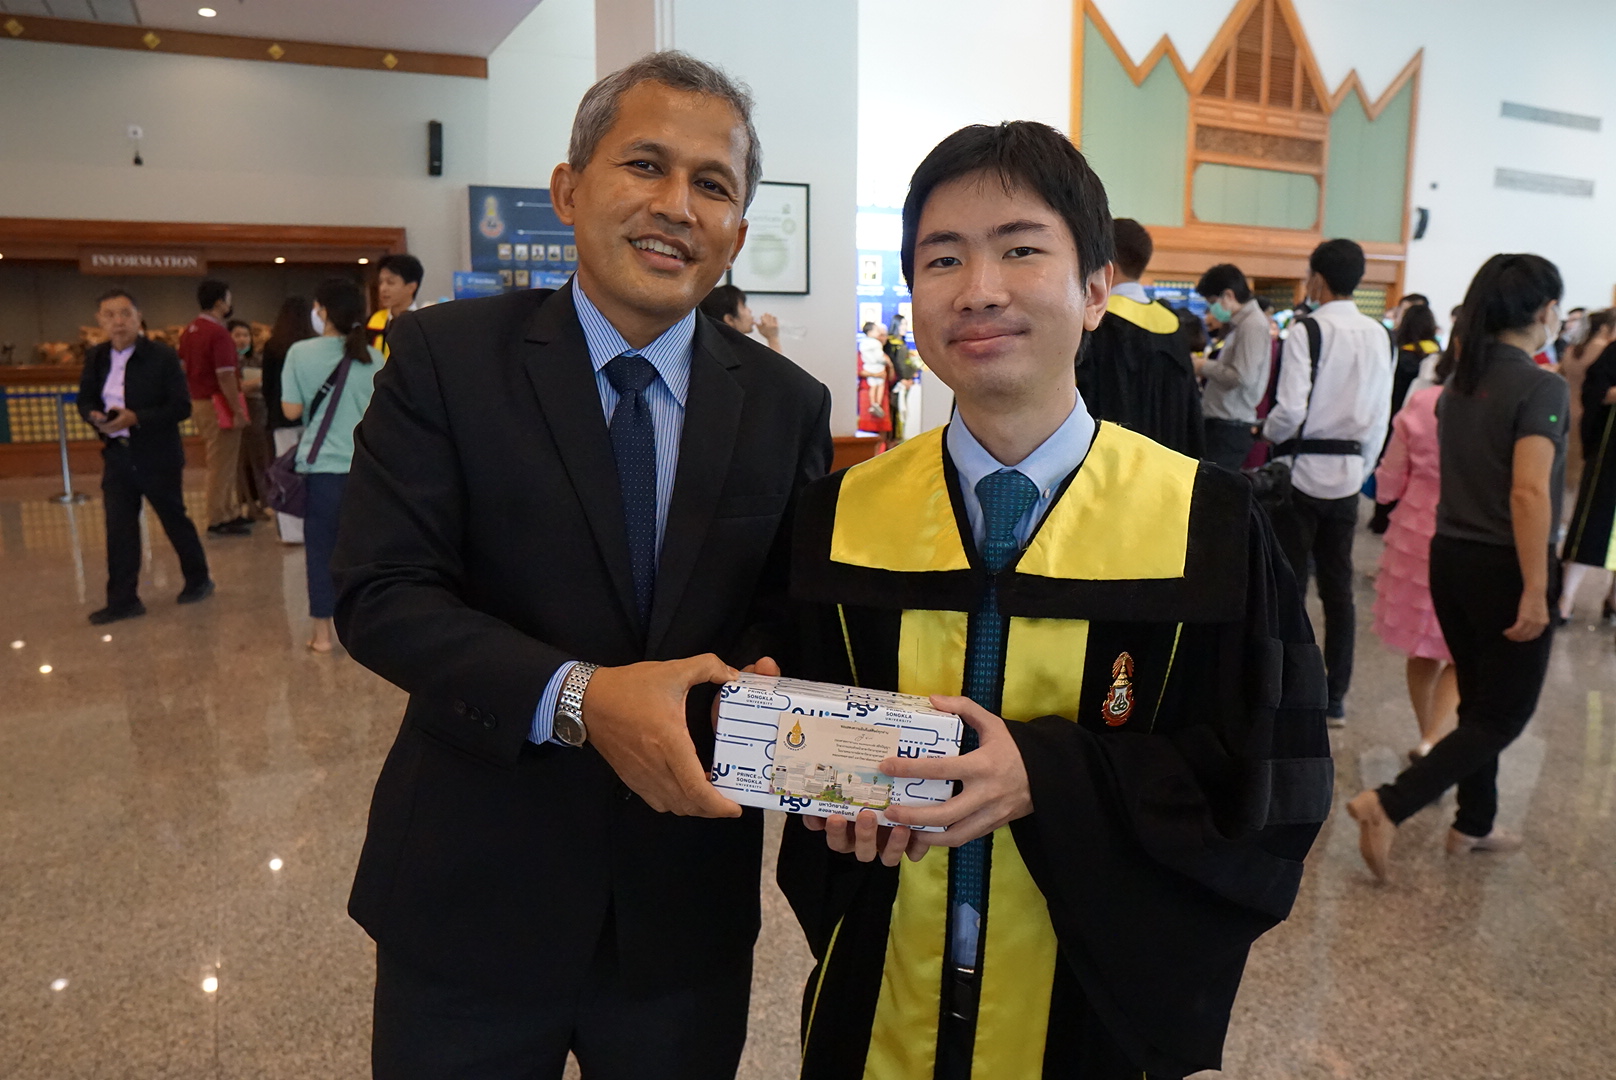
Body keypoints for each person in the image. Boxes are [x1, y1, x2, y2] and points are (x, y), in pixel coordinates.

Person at [779, 120, 1330, 1080]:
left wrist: (1048, 775)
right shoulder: (842, 517)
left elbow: (1269, 787)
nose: (978, 288)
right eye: (942, 258)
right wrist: (826, 792)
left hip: (1092, 1011)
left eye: (1021, 249)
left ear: (1096, 289)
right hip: (883, 988)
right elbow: (803, 729)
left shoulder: (1204, 525)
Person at [332, 51, 832, 1079]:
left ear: (738, 231)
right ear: (568, 190)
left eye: (711, 184)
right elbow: (384, 594)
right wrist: (580, 698)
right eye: (644, 164)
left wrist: (768, 681)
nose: (676, 205)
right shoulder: (444, 360)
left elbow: (786, 610)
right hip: (471, 891)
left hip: (682, 908)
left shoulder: (786, 405)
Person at [1347, 254, 1566, 882]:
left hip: (1450, 559)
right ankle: (1390, 804)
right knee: (1503, 714)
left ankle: (1474, 821)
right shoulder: (1540, 387)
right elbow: (1529, 491)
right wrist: (1536, 587)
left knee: (1478, 699)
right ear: (1545, 310)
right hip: (1504, 563)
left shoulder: (1455, 386)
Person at [1262, 239, 1393, 726]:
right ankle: (1335, 696)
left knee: (1291, 586)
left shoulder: (1307, 330)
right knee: (1339, 591)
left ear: (1317, 278)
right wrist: (1363, 468)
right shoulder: (1381, 335)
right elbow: (1380, 413)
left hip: (1301, 473)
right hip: (1348, 476)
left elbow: (1291, 409)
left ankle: (1290, 691)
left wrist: (1267, 434)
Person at [77, 288, 214, 624]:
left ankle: (198, 579)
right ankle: (123, 599)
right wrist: (94, 415)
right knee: (119, 528)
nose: (118, 321)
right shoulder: (96, 357)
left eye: (125, 314)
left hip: (157, 455)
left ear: (138, 317)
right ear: (99, 321)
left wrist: (136, 418)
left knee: (173, 518)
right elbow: (85, 399)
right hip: (117, 455)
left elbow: (180, 407)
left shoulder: (162, 356)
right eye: (110, 315)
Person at [279, 279, 384, 653]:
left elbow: (291, 411)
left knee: (321, 552)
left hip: (321, 471)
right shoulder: (375, 359)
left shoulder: (300, 353)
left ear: (321, 310)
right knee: (368, 553)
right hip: (367, 473)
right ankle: (372, 630)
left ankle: (323, 635)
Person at [1372, 378, 1456, 761]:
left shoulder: (1423, 401)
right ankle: (1434, 739)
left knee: (1423, 645)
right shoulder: (1501, 403)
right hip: (1470, 526)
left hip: (1415, 531)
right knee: (1461, 650)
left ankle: (1426, 735)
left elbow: (1389, 480)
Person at [1077, 217, 1204, 455]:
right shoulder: (1173, 326)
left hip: (1112, 461)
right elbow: (1190, 413)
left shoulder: (1097, 324)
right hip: (1169, 463)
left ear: (1107, 264)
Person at [178, 278, 252, 536]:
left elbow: (184, 367)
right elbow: (225, 375)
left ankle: (228, 510)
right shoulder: (218, 333)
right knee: (222, 462)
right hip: (218, 403)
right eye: (228, 299)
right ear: (220, 302)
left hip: (199, 401)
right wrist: (237, 410)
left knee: (222, 459)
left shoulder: (189, 331)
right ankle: (217, 516)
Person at [1558, 312, 1616, 622]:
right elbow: (1595, 390)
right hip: (1609, 450)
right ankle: (1566, 596)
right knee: (1593, 518)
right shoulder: (1611, 351)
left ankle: (1613, 598)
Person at [1368, 301, 1441, 534]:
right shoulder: (1438, 357)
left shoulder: (1397, 354)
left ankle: (1381, 517)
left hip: (1395, 417)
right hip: (1427, 421)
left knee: (1392, 465)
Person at [1194, 263, 1270, 469]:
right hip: (1222, 423)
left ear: (1228, 295)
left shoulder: (1252, 324)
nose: (1212, 310)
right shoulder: (1241, 323)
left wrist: (1202, 366)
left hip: (1230, 426)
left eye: (1212, 302)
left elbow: (1241, 377)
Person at [260, 296, 318, 544]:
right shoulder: (313, 345)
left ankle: (291, 531)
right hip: (311, 418)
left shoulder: (273, 346)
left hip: (280, 418)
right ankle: (313, 524)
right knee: (311, 472)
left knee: (285, 474)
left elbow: (267, 386)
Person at [1557, 308, 1616, 507]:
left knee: (1564, 467)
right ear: (1606, 327)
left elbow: (1560, 375)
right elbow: (1599, 390)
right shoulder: (1603, 350)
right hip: (1589, 413)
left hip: (1566, 409)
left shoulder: (1573, 349)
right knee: (1582, 473)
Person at [229, 318, 271, 524]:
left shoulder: (258, 359)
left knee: (260, 459)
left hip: (259, 413)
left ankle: (266, 501)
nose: (242, 339)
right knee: (241, 461)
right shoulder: (229, 363)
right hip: (237, 413)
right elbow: (237, 387)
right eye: (237, 335)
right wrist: (254, 383)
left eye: (245, 335)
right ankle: (246, 504)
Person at [698, 282, 784, 353]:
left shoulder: (710, 348)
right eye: (744, 306)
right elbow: (778, 368)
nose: (749, 311)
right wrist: (773, 338)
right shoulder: (737, 353)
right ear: (730, 319)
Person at [367, 253, 423, 356]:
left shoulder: (422, 322)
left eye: (390, 282)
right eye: (380, 282)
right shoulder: (373, 322)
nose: (383, 289)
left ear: (411, 287)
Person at [858, 320, 893, 435]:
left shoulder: (884, 354)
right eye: (879, 334)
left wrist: (890, 366)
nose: (881, 338)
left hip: (883, 395)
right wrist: (876, 374)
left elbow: (891, 377)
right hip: (866, 392)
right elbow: (859, 371)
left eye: (884, 335)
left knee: (883, 429)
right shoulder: (864, 352)